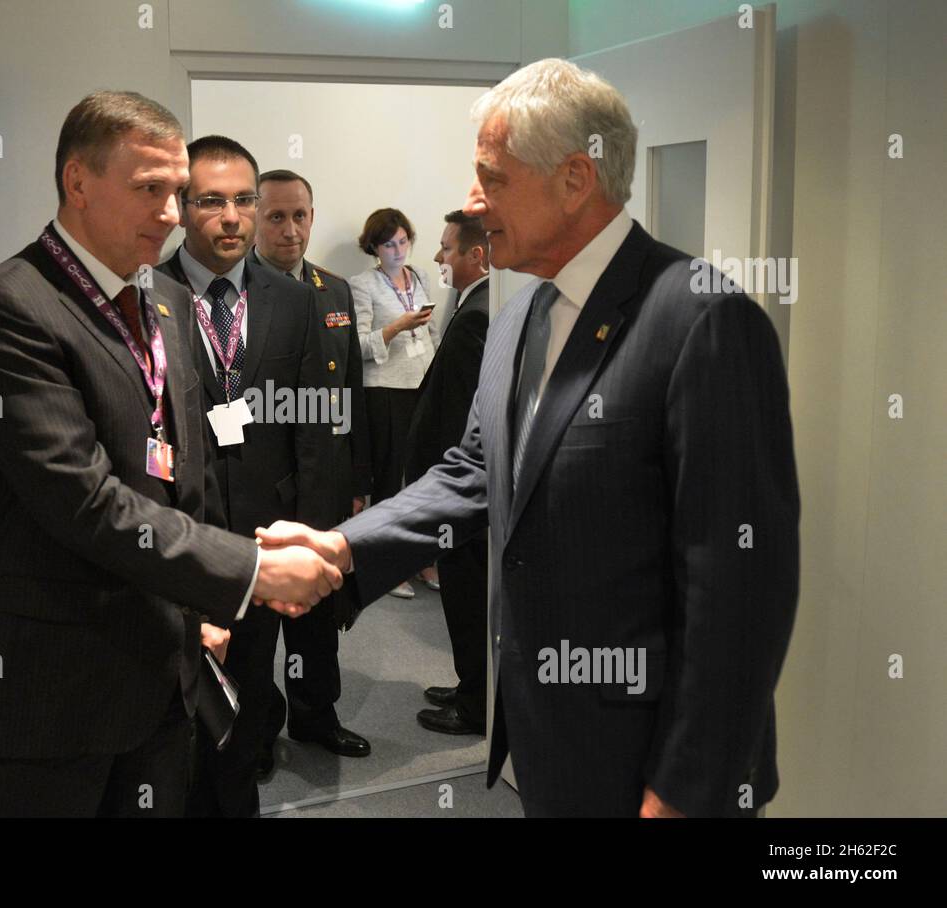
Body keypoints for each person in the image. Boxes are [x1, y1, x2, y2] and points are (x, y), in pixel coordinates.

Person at [257, 58, 800, 818]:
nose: (474, 204)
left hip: (651, 761)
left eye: (493, 179)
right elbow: (474, 473)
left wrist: (685, 792)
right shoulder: (520, 318)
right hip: (547, 743)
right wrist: (343, 548)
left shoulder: (702, 321)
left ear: (576, 178)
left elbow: (740, 587)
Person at [0, 92, 340, 819]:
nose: (170, 212)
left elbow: (179, 480)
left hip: (162, 672)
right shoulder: (9, 311)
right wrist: (246, 572)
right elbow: (86, 503)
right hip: (54, 695)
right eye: (149, 189)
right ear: (78, 181)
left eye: (176, 191)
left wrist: (190, 609)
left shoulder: (162, 300)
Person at [156, 136, 350, 816]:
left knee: (243, 715)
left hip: (262, 545)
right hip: (172, 548)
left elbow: (315, 433)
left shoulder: (292, 303)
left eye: (244, 200)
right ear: (181, 208)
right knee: (172, 725)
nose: (232, 216)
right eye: (212, 201)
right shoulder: (145, 296)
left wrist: (310, 535)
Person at [249, 168, 373, 774]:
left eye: (300, 216)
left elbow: (350, 390)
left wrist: (357, 481)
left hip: (323, 480)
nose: (290, 230)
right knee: (254, 624)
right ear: (253, 219)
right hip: (257, 487)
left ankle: (317, 716)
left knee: (320, 616)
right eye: (276, 216)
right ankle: (257, 729)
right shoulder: (232, 298)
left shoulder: (334, 291)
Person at [403, 210, 491, 736]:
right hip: (456, 488)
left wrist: (445, 486)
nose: (438, 257)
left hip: (461, 493)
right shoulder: (471, 304)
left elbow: (464, 418)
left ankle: (477, 704)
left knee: (466, 596)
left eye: (446, 248)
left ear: (476, 254)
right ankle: (469, 685)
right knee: (461, 594)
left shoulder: (479, 312)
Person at [348, 208, 439, 599]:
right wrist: (398, 326)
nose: (398, 250)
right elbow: (358, 346)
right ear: (374, 247)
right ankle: (385, 565)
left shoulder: (418, 277)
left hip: (422, 383)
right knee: (388, 480)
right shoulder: (362, 284)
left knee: (423, 477)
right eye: (389, 244)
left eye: (403, 241)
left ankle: (419, 558)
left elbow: (432, 330)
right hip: (384, 389)